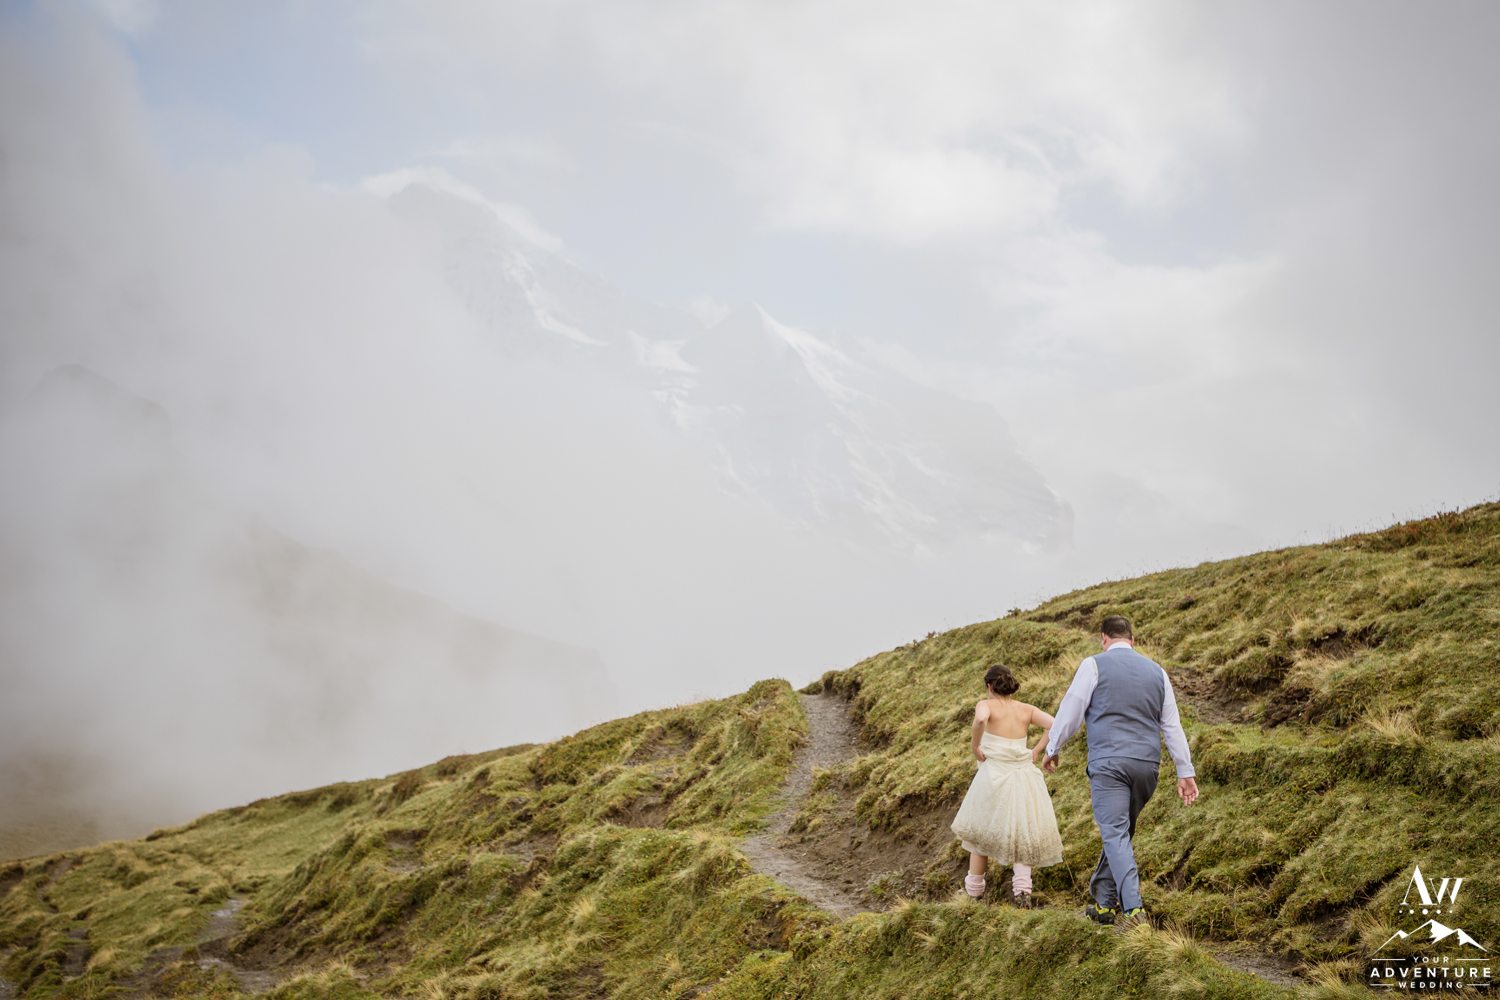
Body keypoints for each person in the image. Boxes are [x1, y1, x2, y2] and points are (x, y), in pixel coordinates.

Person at [1041, 615, 1199, 927]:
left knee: (1115, 833)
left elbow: (1071, 709)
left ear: (1103, 638)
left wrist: (1052, 748)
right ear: (1132, 640)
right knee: (1120, 834)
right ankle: (1103, 904)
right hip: (1147, 767)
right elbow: (1172, 726)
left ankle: (1134, 911)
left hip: (1109, 764)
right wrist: (1185, 771)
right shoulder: (1158, 673)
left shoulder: (1093, 664)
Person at [950, 663, 1064, 907]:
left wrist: (975, 746)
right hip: (1023, 774)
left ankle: (974, 892)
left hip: (994, 775)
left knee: (980, 833)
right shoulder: (1026, 709)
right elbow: (1054, 724)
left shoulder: (986, 705)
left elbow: (981, 718)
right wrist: (1035, 750)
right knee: (1021, 833)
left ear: (989, 686)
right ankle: (1023, 892)